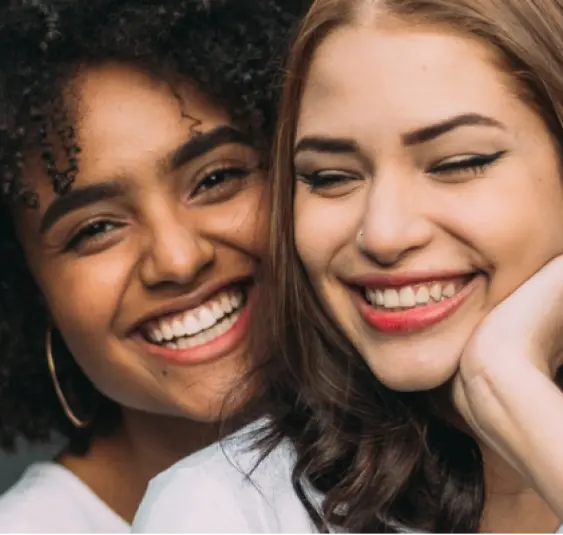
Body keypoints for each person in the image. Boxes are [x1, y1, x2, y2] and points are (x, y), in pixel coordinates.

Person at [131, 0, 563, 534]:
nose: (382, 233)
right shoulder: (223, 513)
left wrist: (518, 393)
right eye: (331, 176)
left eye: (458, 163)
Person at [0, 0, 303, 533]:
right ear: (29, 289)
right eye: (95, 229)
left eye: (215, 179)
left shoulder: (449, 460)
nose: (179, 259)